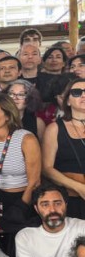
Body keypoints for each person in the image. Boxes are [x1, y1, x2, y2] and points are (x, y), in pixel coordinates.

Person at [0, 93, 42, 257]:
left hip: (25, 199)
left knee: (20, 250)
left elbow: (34, 181)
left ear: (7, 115)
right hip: (0, 199)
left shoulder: (25, 138)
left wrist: (18, 211)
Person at [41, 78, 85, 219]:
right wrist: (79, 187)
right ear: (67, 100)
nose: (83, 95)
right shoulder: (55, 128)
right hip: (70, 199)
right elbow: (47, 168)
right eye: (77, 92)